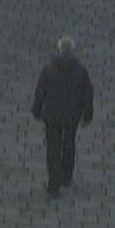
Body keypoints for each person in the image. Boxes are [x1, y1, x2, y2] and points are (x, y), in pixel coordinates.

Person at [32, 36, 95, 199]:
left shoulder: (48, 70)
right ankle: (66, 177)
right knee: (69, 144)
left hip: (52, 116)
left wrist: (37, 111)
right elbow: (87, 95)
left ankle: (53, 184)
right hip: (72, 116)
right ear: (72, 51)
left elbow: (40, 93)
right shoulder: (81, 71)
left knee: (53, 149)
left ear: (59, 50)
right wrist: (87, 116)